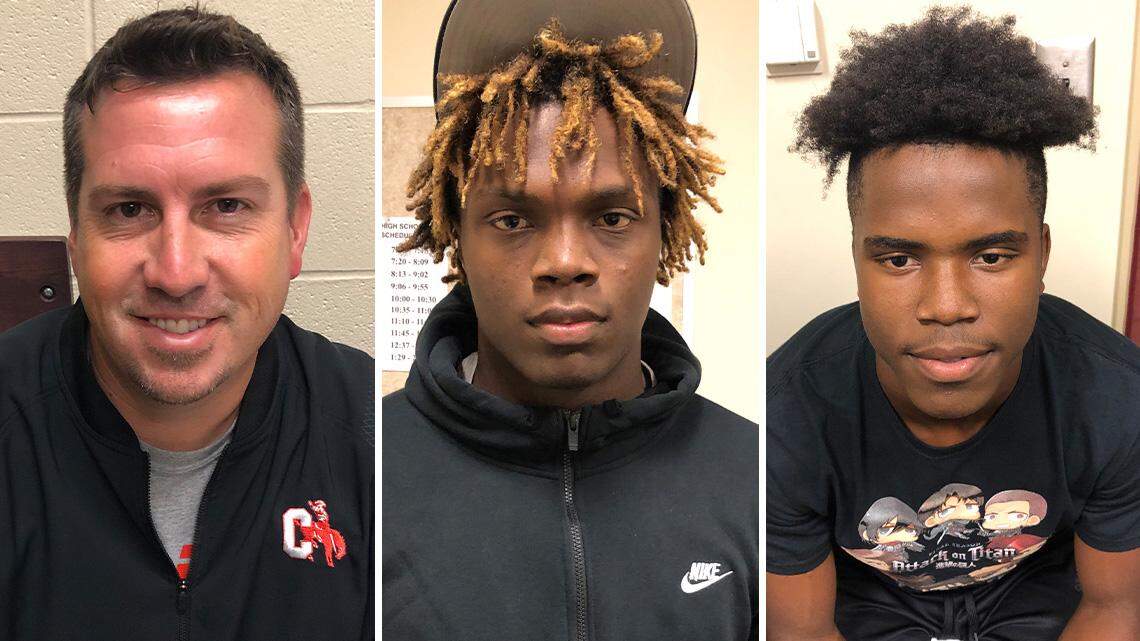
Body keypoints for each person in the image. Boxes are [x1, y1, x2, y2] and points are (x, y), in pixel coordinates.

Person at [382, 1, 758, 639]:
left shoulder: (754, 475)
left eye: (612, 218)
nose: (564, 263)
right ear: (457, 240)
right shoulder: (364, 475)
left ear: (664, 237)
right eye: (512, 220)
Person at [767, 7, 1140, 641]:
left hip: (1036, 604)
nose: (946, 305)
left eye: (991, 256)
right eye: (899, 258)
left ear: (1042, 255)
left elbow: (1112, 610)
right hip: (869, 611)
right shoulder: (787, 413)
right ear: (857, 258)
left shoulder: (1116, 397)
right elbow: (802, 631)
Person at [0, 8, 373, 639]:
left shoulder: (373, 439)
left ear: (295, 228)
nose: (176, 273)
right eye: (128, 208)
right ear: (75, 231)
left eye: (226, 206)